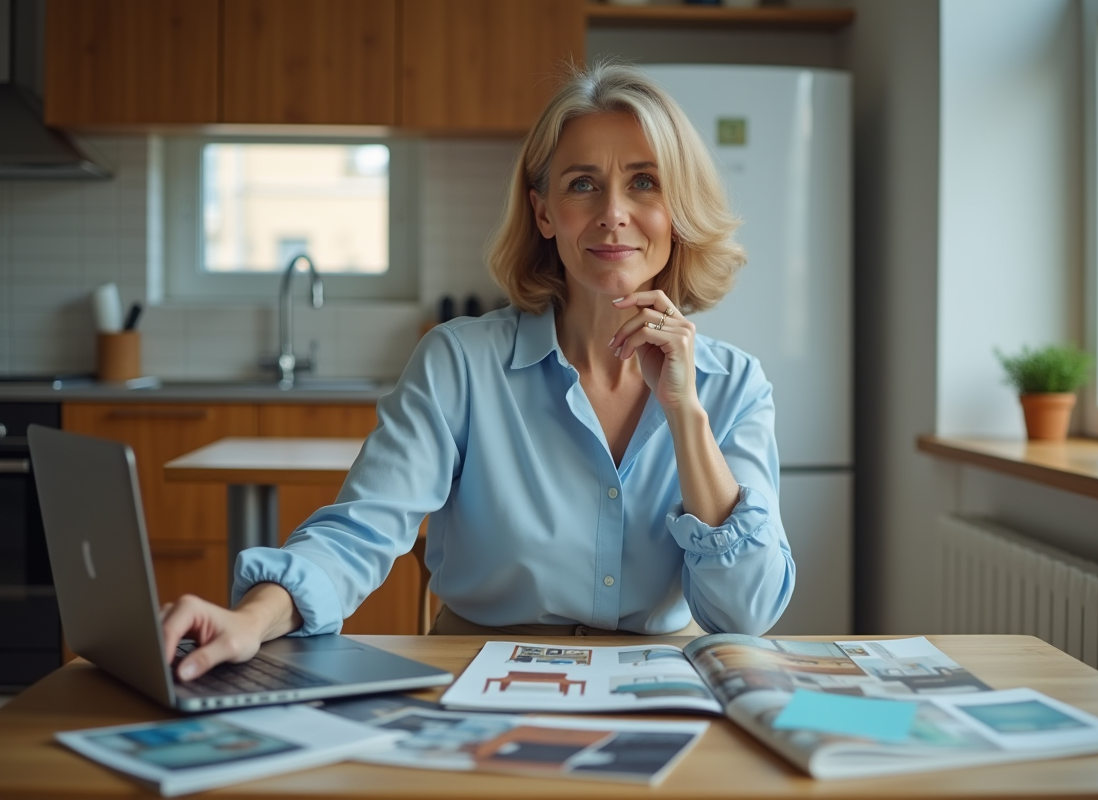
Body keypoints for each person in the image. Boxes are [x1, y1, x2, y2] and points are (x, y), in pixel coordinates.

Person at [162, 62, 796, 682]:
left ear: (678, 208)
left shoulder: (735, 385)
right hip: (478, 676)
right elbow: (362, 528)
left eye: (644, 182)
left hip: (660, 681)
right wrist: (250, 619)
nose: (613, 212)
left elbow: (742, 613)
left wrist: (686, 414)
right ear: (544, 212)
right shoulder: (458, 363)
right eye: (581, 183)